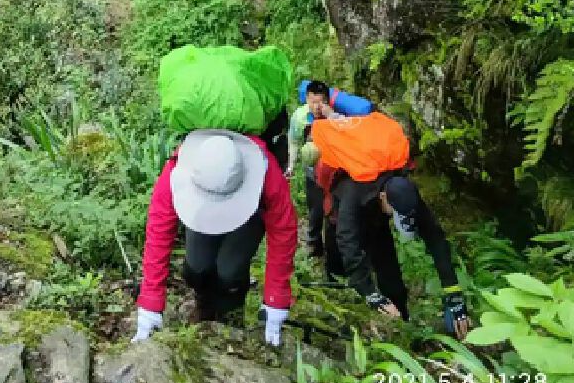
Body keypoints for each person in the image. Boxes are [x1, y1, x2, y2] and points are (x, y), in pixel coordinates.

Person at [132, 128, 297, 346]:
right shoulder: (177, 170)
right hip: (201, 207)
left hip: (248, 214)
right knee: (196, 267)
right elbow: (158, 233)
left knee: (230, 271)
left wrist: (275, 300)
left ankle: (230, 317)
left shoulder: (266, 172)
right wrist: (150, 305)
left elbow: (284, 231)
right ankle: (205, 307)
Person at [317, 157, 469, 339]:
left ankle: (401, 324)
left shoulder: (406, 193)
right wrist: (370, 294)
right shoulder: (353, 192)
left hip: (377, 220)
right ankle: (340, 322)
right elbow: (348, 243)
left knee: (392, 284)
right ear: (383, 197)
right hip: (341, 219)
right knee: (339, 273)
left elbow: (434, 236)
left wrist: (453, 293)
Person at [287, 80, 373, 259]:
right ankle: (314, 242)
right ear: (307, 99)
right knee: (316, 210)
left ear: (327, 100)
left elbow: (349, 130)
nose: (317, 107)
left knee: (334, 210)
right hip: (312, 173)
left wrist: (331, 116)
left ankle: (337, 251)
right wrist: (291, 165)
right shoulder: (300, 117)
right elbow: (294, 141)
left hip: (334, 173)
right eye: (313, 102)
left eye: (321, 102)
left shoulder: (336, 115)